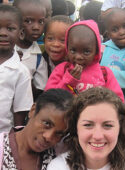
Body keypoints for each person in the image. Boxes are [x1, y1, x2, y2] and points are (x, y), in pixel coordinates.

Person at [47, 87, 125, 170]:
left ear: (120, 128)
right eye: (88, 125)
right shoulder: (59, 166)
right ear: (75, 128)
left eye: (108, 125)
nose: (98, 136)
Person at [45, 20, 124, 102]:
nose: (78, 57)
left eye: (86, 52)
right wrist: (68, 81)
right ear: (67, 47)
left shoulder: (105, 73)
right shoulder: (62, 69)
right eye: (73, 50)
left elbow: (118, 102)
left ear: (96, 51)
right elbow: (49, 99)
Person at [0, 88, 73, 169]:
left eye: (59, 133)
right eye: (47, 123)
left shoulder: (60, 156)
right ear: (33, 110)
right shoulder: (2, 147)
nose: (48, 137)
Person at [0, 4, 33, 132]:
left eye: (10, 28)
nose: (3, 33)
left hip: (3, 138)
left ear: (21, 33)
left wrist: (15, 139)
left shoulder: (21, 72)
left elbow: (20, 111)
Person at [13, 0, 48, 100]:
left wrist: (25, 75)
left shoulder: (38, 58)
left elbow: (39, 91)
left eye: (40, 21)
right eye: (28, 21)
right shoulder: (5, 48)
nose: (36, 27)